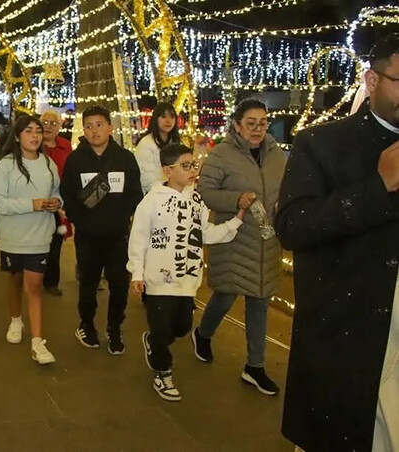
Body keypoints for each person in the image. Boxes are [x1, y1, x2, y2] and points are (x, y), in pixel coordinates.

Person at [275, 34, 399, 451]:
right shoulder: (322, 143)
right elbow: (292, 226)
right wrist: (379, 187)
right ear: (371, 81)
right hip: (346, 341)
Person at [128, 143, 245, 401]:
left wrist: (233, 223)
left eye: (194, 165)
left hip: (187, 280)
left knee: (181, 328)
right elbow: (138, 239)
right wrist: (137, 272)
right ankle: (162, 370)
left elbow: (204, 232)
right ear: (167, 171)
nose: (192, 170)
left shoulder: (196, 200)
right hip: (158, 281)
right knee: (162, 329)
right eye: (186, 165)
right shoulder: (151, 202)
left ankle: (155, 341)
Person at [191, 99, 287, 395]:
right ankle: (203, 333)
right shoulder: (221, 154)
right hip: (233, 238)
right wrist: (235, 199)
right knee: (226, 294)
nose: (258, 129)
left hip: (267, 241)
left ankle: (254, 366)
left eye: (263, 122)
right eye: (251, 123)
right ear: (236, 124)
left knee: (260, 300)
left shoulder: (277, 156)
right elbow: (205, 192)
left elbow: (290, 187)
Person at [60, 105, 142, 354]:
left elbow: (134, 194)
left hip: (118, 236)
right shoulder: (77, 159)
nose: (94, 130)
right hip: (87, 236)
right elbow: (68, 194)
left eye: (99, 125)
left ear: (110, 127)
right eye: (88, 126)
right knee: (88, 283)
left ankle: (114, 327)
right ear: (83, 129)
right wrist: (80, 220)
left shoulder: (125, 158)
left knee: (119, 285)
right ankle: (86, 324)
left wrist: (120, 218)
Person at [0, 115, 61, 365]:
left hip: (40, 235)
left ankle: (38, 343)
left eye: (38, 131)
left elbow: (56, 192)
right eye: (28, 131)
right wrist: (32, 204)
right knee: (15, 279)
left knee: (35, 285)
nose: (35, 135)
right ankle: (15, 319)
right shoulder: (6, 165)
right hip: (12, 237)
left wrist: (56, 203)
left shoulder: (49, 164)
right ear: (18, 136)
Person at [40, 110, 73, 296]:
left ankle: (51, 281)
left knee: (55, 245)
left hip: (59, 202)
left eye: (53, 123)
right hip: (37, 200)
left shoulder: (66, 146)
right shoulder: (33, 145)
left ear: (60, 126)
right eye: (45, 121)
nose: (48, 126)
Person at [135, 102, 180, 194]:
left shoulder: (177, 143)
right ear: (156, 119)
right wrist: (168, 192)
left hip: (175, 194)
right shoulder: (146, 144)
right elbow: (146, 180)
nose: (168, 121)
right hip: (154, 196)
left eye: (172, 117)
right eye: (163, 117)